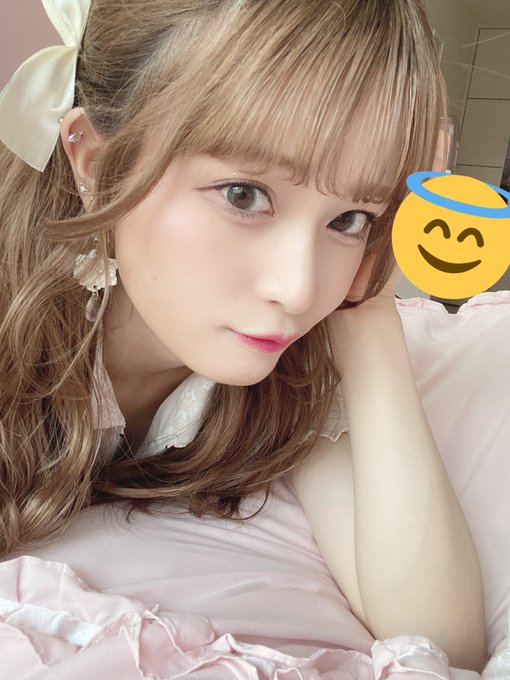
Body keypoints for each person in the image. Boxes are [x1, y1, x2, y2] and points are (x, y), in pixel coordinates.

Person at [0, 0, 486, 676]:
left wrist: (371, 316)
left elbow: (440, 644)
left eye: (349, 217)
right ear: (96, 165)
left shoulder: (288, 368)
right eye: (242, 196)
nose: (298, 288)